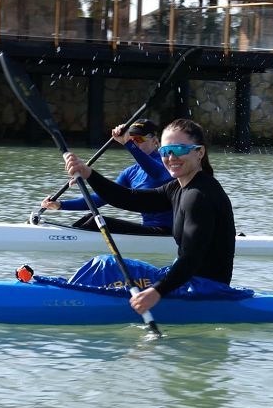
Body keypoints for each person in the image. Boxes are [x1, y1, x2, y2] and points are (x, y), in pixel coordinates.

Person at [63, 118, 236, 314]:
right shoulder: (177, 187)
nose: (171, 157)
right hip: (184, 280)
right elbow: (129, 198)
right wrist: (88, 173)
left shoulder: (200, 196)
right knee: (105, 267)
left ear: (200, 152)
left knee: (106, 266)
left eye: (179, 150)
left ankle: (62, 302)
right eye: (165, 151)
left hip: (204, 289)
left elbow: (192, 258)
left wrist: (157, 292)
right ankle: (68, 295)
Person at [41, 119, 173, 235]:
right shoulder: (130, 173)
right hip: (149, 231)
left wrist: (127, 142)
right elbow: (103, 197)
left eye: (138, 139)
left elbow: (157, 174)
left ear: (155, 141)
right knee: (90, 217)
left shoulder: (168, 165)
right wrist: (61, 205)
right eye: (131, 139)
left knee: (96, 221)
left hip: (170, 232)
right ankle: (62, 236)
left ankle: (65, 239)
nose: (134, 143)